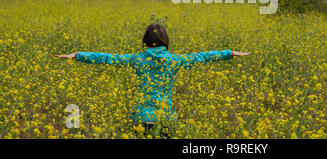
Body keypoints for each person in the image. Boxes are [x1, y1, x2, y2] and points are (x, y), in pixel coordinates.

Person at [56, 23, 250, 137]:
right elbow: (203, 56)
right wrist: (229, 53)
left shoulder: (136, 60)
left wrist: (77, 55)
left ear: (145, 42)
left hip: (142, 120)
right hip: (166, 121)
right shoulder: (175, 61)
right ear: (166, 42)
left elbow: (107, 58)